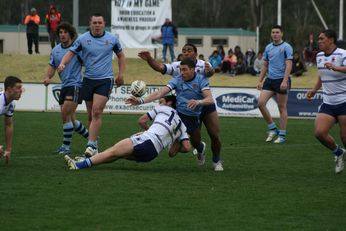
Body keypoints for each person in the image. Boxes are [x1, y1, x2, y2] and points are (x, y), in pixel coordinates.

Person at [138, 44, 223, 171]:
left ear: (195, 53)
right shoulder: (177, 67)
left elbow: (211, 73)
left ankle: (216, 161)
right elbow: (160, 69)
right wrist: (150, 59)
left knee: (214, 134)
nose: (186, 53)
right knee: (194, 142)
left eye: (189, 50)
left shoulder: (203, 64)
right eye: (184, 51)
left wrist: (210, 71)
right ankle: (200, 149)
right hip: (187, 109)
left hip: (203, 103)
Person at [58, 13, 126, 157]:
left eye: (99, 23)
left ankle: (91, 144)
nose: (97, 25)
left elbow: (121, 55)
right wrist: (63, 63)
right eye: (94, 22)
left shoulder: (112, 39)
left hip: (105, 80)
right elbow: (70, 52)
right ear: (90, 24)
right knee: (90, 115)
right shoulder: (83, 39)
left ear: (104, 24)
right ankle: (94, 145)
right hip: (88, 80)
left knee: (96, 111)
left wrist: (120, 74)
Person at [64, 95, 191, 170]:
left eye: (162, 101)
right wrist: (172, 143)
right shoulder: (183, 127)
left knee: (113, 151)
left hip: (146, 140)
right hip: (152, 154)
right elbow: (184, 148)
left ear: (169, 103)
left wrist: (148, 131)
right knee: (116, 154)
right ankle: (89, 160)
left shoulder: (164, 108)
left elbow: (141, 121)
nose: (159, 103)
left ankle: (78, 166)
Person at [44, 22, 89, 155]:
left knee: (65, 114)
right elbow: (52, 66)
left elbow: (87, 64)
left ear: (70, 34)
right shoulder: (56, 50)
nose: (62, 35)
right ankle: (91, 139)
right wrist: (48, 77)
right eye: (60, 33)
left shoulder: (77, 49)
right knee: (72, 120)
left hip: (75, 86)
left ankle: (66, 147)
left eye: (65, 32)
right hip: (64, 86)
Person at [306, 29, 346, 174]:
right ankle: (339, 152)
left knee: (344, 136)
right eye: (319, 38)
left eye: (322, 38)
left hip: (344, 101)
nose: (319, 41)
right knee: (319, 133)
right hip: (328, 102)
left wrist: (336, 67)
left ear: (331, 40)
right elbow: (321, 76)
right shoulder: (319, 56)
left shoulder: (342, 54)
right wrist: (314, 90)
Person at [256, 25, 293, 144]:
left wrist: (285, 80)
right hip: (270, 80)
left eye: (277, 32)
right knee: (260, 103)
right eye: (273, 32)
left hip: (281, 80)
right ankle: (273, 128)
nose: (275, 34)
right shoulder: (268, 47)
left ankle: (282, 136)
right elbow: (265, 65)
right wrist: (260, 80)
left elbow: (289, 65)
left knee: (281, 108)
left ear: (281, 34)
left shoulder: (286, 47)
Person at [0, 76, 23, 164]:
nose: (21, 90)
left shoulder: (11, 104)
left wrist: (8, 150)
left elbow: (8, 125)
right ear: (9, 89)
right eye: (18, 88)